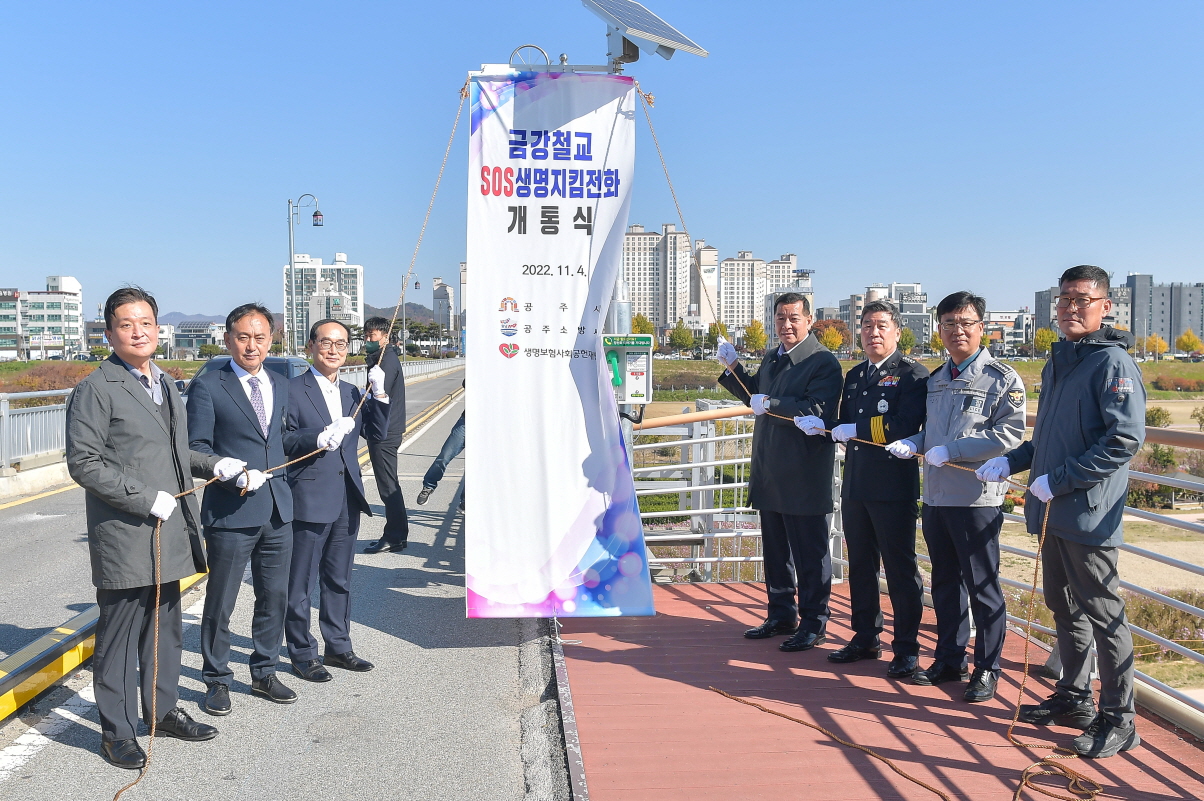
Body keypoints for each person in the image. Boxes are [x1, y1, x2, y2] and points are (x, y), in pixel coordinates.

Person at [66, 287, 242, 769]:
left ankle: (161, 712)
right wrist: (145, 498)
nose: (138, 332)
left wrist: (214, 465)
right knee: (120, 637)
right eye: (126, 324)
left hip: (168, 531)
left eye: (146, 322)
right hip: (126, 532)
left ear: (159, 329)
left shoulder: (164, 383)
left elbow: (175, 453)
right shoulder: (96, 388)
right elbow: (84, 462)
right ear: (109, 334)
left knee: (165, 628)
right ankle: (118, 732)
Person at [977, 265, 1145, 758]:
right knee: (1063, 605)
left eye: (1082, 299)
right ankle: (1074, 695)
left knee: (1104, 614)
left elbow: (1123, 439)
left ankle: (1120, 718)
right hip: (1051, 511)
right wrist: (1012, 461)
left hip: (1088, 514)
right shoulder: (1060, 362)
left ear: (1105, 307)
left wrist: (1061, 479)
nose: (1071, 308)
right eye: (1064, 299)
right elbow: (1048, 438)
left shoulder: (1112, 363)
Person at [886, 291, 1025, 701]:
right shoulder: (936, 379)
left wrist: (955, 450)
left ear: (982, 327)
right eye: (949, 323)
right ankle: (949, 658)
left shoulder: (1001, 378)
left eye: (965, 323)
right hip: (937, 496)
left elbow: (1009, 434)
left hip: (975, 498)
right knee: (945, 584)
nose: (957, 331)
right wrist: (912, 443)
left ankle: (987, 668)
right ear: (939, 329)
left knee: (982, 587)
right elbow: (932, 435)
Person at [797, 300, 928, 678]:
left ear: (897, 331)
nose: (873, 333)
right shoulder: (855, 375)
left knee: (900, 570)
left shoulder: (912, 374)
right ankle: (866, 636)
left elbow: (905, 425)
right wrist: (822, 426)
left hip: (893, 487)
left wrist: (856, 429)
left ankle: (906, 648)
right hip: (857, 483)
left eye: (881, 326)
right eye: (867, 326)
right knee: (861, 567)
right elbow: (843, 423)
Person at [187, 303, 297, 715]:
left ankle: (264, 672)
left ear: (271, 340)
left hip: (277, 509)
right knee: (221, 600)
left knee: (274, 596)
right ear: (228, 339)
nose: (252, 345)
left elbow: (285, 440)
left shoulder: (281, 383)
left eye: (260, 337)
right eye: (243, 337)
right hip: (231, 512)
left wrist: (323, 436)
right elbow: (195, 447)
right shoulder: (208, 385)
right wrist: (226, 470)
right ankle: (216, 679)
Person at [716, 293, 843, 651]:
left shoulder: (822, 361)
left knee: (810, 554)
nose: (786, 325)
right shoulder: (773, 357)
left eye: (793, 318)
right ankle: (781, 613)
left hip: (803, 471)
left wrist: (770, 402)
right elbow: (755, 395)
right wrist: (734, 368)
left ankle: (814, 622)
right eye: (780, 318)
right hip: (770, 467)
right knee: (776, 552)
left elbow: (816, 409)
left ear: (809, 320)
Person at [283, 319, 390, 681]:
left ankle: (339, 646)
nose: (333, 350)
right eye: (326, 343)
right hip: (309, 497)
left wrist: (379, 395)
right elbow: (282, 440)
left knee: (339, 579)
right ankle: (302, 653)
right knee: (300, 583)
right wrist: (318, 437)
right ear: (310, 346)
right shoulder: (291, 390)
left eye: (341, 344)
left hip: (347, 497)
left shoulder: (352, 392)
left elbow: (377, 433)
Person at [362, 316, 410, 554]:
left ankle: (394, 536)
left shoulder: (386, 362)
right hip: (387, 428)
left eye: (372, 336)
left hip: (385, 431)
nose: (368, 340)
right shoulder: (381, 358)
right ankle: (398, 534)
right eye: (366, 335)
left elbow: (380, 396)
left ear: (385, 337)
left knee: (387, 486)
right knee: (390, 484)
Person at [415, 407, 465, 511]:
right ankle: (428, 486)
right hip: (466, 423)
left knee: (478, 465)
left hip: (489, 426)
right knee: (445, 455)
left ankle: (465, 501)